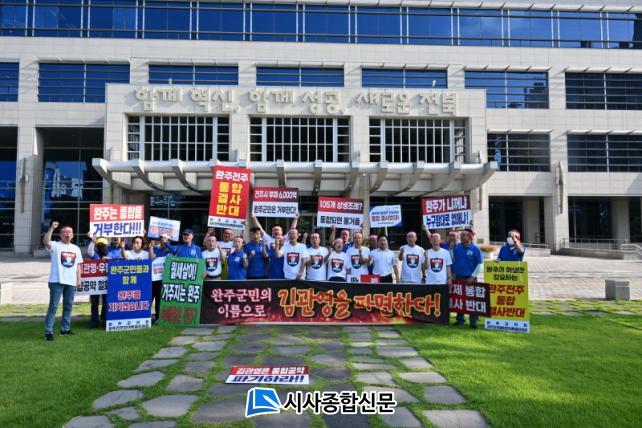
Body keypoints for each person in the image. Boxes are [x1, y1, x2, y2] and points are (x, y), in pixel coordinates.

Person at [43, 222, 83, 341]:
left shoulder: (76, 248)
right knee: (53, 307)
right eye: (64, 232)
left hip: (71, 281)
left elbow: (78, 266)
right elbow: (46, 241)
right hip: (56, 281)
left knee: (68, 306)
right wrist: (52, 228)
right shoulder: (55, 246)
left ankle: (65, 329)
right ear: (60, 235)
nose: (67, 233)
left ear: (73, 235)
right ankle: (48, 332)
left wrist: (79, 279)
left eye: (69, 232)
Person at [452, 229, 483, 328]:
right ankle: (460, 320)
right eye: (461, 236)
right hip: (458, 277)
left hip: (471, 278)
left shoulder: (476, 249)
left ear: (469, 237)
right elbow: (454, 261)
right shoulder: (457, 249)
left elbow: (480, 265)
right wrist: (453, 273)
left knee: (472, 301)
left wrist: (472, 276)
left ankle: (473, 322)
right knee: (459, 300)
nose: (461, 237)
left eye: (463, 236)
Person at [88, 236, 109, 328]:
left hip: (107, 282)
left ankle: (105, 319)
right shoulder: (95, 255)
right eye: (100, 245)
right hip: (95, 282)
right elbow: (90, 251)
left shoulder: (110, 255)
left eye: (103, 245)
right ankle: (94, 321)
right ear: (97, 246)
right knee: (94, 303)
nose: (102, 246)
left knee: (106, 302)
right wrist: (92, 242)